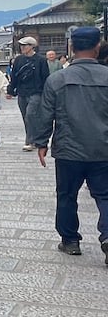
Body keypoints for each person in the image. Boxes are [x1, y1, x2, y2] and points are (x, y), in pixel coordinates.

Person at [33, 26, 108, 264]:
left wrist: (41, 142)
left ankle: (70, 240)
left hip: (68, 148)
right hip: (103, 148)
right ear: (98, 47)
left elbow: (46, 114)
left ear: (71, 48)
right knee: (105, 195)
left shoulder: (57, 79)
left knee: (66, 194)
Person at [6, 36, 50, 151]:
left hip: (36, 91)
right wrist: (10, 90)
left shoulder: (41, 60)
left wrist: (46, 93)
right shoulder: (19, 60)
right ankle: (34, 139)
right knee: (26, 116)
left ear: (32, 46)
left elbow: (45, 77)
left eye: (25, 45)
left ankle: (30, 141)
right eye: (21, 45)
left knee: (31, 115)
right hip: (22, 92)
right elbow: (14, 76)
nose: (22, 48)